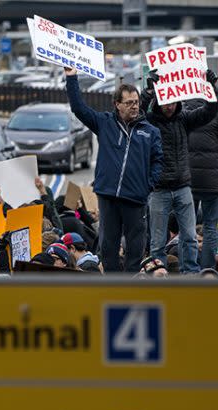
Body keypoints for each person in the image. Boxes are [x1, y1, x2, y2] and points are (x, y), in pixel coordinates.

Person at [65, 66, 163, 272]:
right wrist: (71, 77)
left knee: (136, 248)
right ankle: (111, 287)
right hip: (108, 195)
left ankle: (131, 287)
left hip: (136, 198)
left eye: (136, 102)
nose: (134, 106)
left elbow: (158, 161)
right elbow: (78, 108)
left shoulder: (150, 131)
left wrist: (148, 185)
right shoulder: (104, 123)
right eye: (128, 103)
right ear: (117, 104)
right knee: (108, 248)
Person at [140, 68, 218, 274]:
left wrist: (211, 88)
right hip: (159, 189)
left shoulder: (184, 119)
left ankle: (190, 274)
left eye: (173, 102)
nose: (169, 106)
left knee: (190, 237)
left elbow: (209, 112)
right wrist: (147, 93)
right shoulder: (150, 121)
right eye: (165, 102)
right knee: (157, 241)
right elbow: (136, 114)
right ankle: (159, 276)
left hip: (183, 187)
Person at [185, 85, 218, 269]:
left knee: (188, 227)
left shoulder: (184, 109)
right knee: (211, 227)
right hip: (212, 179)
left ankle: (188, 269)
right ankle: (208, 270)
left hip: (187, 178)